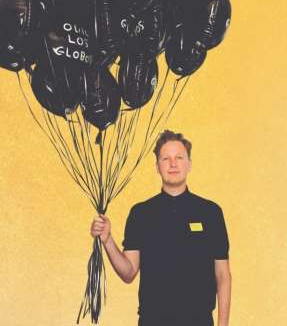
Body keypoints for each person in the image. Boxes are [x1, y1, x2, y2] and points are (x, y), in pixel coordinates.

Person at [90, 131, 231, 326]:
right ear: (157, 166)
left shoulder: (210, 213)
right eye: (166, 159)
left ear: (189, 164)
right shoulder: (141, 214)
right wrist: (107, 239)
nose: (173, 164)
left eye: (179, 158)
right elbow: (128, 272)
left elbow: (223, 276)